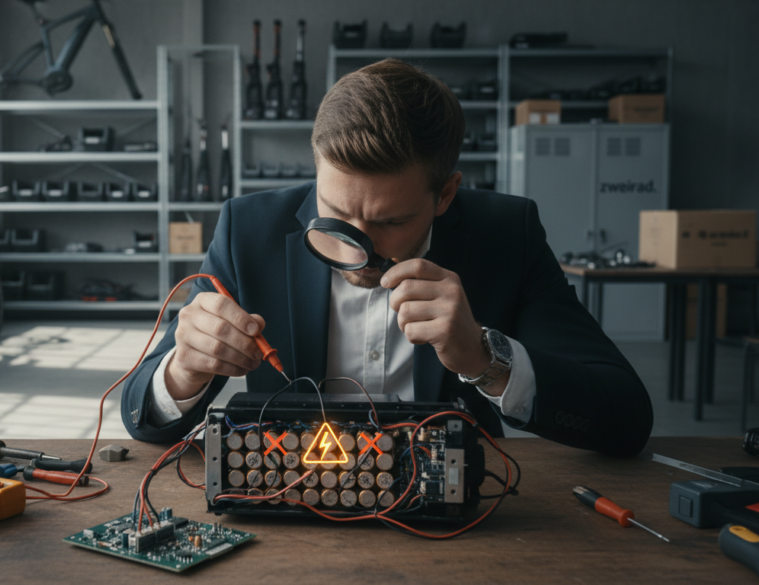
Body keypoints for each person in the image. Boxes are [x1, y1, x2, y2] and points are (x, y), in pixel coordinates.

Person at [121, 59, 652, 457]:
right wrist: (184, 369)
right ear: (317, 169)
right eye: (335, 213)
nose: (356, 248)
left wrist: (483, 358)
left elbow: (625, 417)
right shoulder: (249, 230)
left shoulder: (506, 234)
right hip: (290, 495)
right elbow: (142, 415)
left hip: (453, 508)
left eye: (391, 222)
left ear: (445, 196)